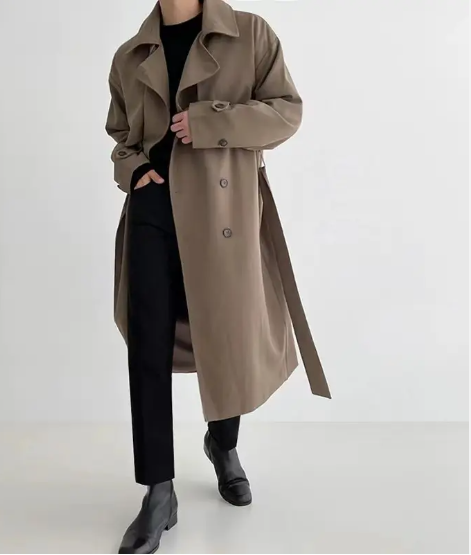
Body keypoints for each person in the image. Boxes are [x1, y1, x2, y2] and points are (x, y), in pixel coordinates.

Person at [105, 0, 331, 552]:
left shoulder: (249, 35)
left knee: (224, 335)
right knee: (147, 346)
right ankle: (159, 491)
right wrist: (134, 169)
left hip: (221, 213)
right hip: (153, 209)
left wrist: (211, 121)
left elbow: (286, 112)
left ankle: (222, 445)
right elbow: (120, 135)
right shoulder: (130, 54)